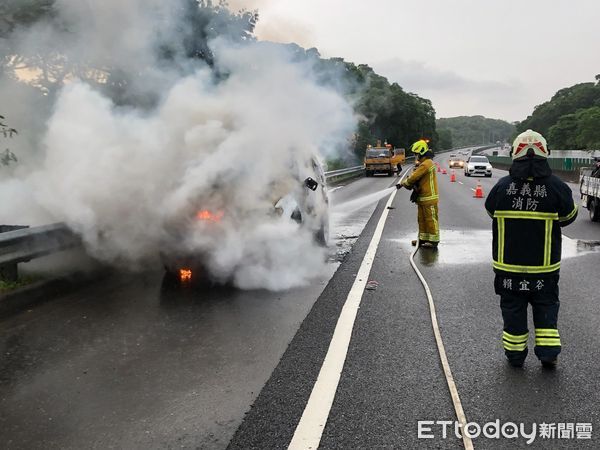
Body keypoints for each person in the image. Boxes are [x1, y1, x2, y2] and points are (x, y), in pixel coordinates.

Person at [485, 130, 578, 369]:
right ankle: (548, 355)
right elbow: (569, 216)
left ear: (514, 154)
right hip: (544, 269)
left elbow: (490, 211)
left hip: (508, 269)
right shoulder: (556, 186)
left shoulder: (502, 186)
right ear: (544, 154)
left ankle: (515, 356)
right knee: (546, 306)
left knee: (513, 309)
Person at [396, 139, 439, 248]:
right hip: (423, 197)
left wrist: (404, 184)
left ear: (422, 152)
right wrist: (404, 183)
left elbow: (414, 177)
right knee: (422, 219)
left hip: (429, 197)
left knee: (430, 219)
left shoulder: (426, 164)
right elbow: (414, 176)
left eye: (417, 154)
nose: (416, 156)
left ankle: (434, 241)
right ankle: (423, 239)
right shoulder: (423, 164)